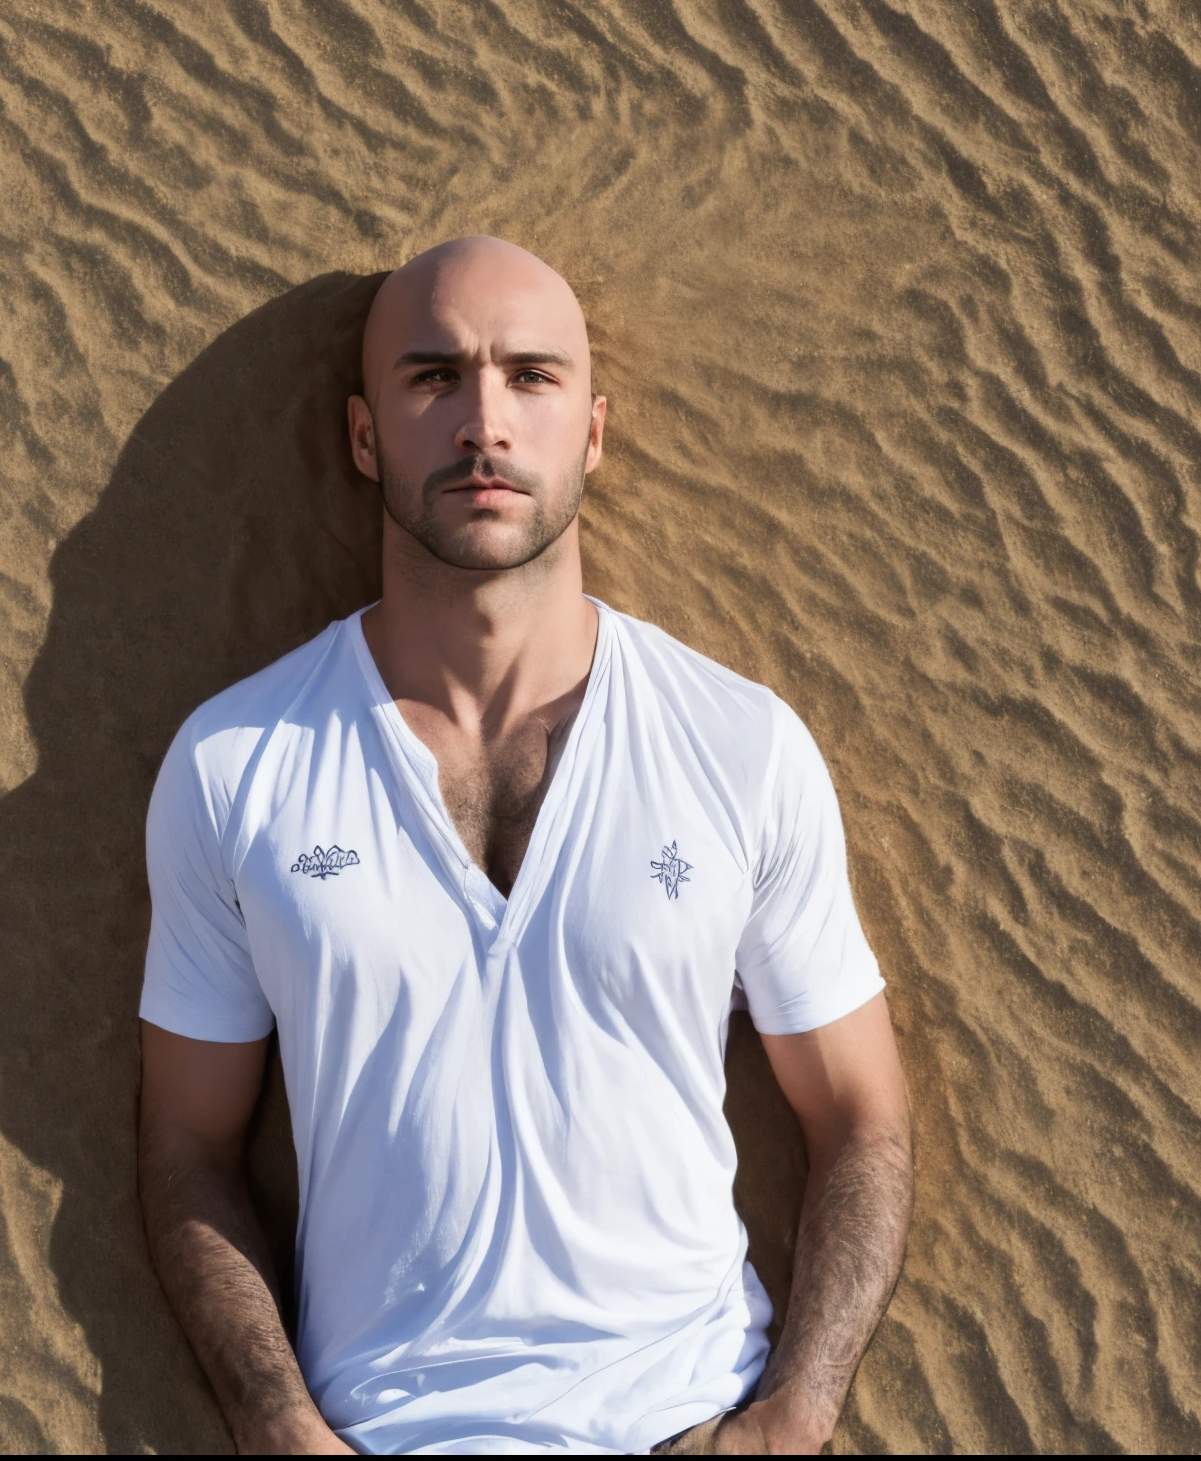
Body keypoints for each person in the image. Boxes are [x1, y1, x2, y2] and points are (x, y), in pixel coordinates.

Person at [136, 236, 911, 1455]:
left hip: (684, 1418)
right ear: (361, 434)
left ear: (590, 432)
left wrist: (795, 1416)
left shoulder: (735, 745)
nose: (482, 422)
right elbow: (184, 1145)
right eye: (432, 376)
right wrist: (279, 1427)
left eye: (530, 377)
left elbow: (863, 1113)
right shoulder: (240, 763)